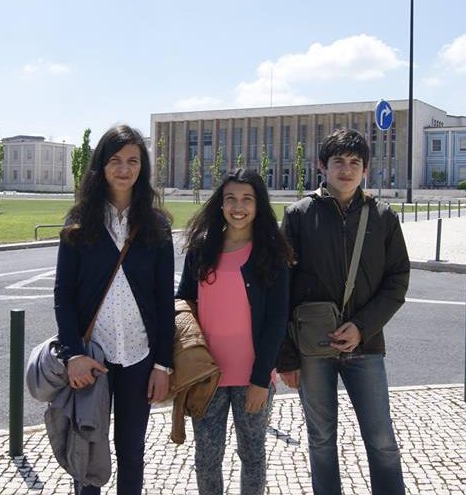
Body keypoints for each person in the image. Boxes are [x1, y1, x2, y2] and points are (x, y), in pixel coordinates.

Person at [277, 128, 410, 495]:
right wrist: (286, 355)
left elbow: (397, 280)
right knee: (321, 440)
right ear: (322, 165)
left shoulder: (383, 217)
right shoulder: (299, 215)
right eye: (338, 161)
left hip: (365, 346)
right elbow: (281, 288)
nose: (346, 170)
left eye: (355, 162)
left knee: (382, 440)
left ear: (365, 169)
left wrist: (362, 327)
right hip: (312, 348)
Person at [53, 125, 175, 495]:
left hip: (140, 358)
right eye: (116, 160)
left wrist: (163, 365)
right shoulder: (79, 222)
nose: (124, 169)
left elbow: (164, 301)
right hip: (92, 357)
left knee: (132, 452)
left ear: (143, 167)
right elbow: (63, 295)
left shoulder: (157, 226)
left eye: (133, 161)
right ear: (101, 166)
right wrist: (73, 354)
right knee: (87, 449)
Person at [176, 169, 292, 495]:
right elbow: (183, 304)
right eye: (230, 199)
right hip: (207, 376)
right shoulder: (201, 248)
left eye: (246, 199)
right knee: (206, 458)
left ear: (258, 205)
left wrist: (260, 379)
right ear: (220, 203)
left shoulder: (272, 253)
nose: (238, 207)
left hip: (252, 377)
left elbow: (276, 320)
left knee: (252, 456)